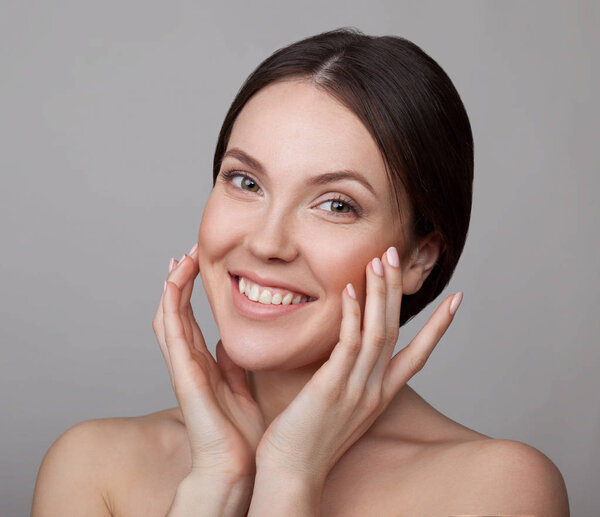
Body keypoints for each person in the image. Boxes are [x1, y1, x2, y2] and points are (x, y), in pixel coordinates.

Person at [31, 27, 569, 516]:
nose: (266, 243)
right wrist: (215, 484)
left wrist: (289, 478)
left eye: (336, 205)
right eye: (245, 182)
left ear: (417, 258)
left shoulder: (497, 490)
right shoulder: (92, 467)